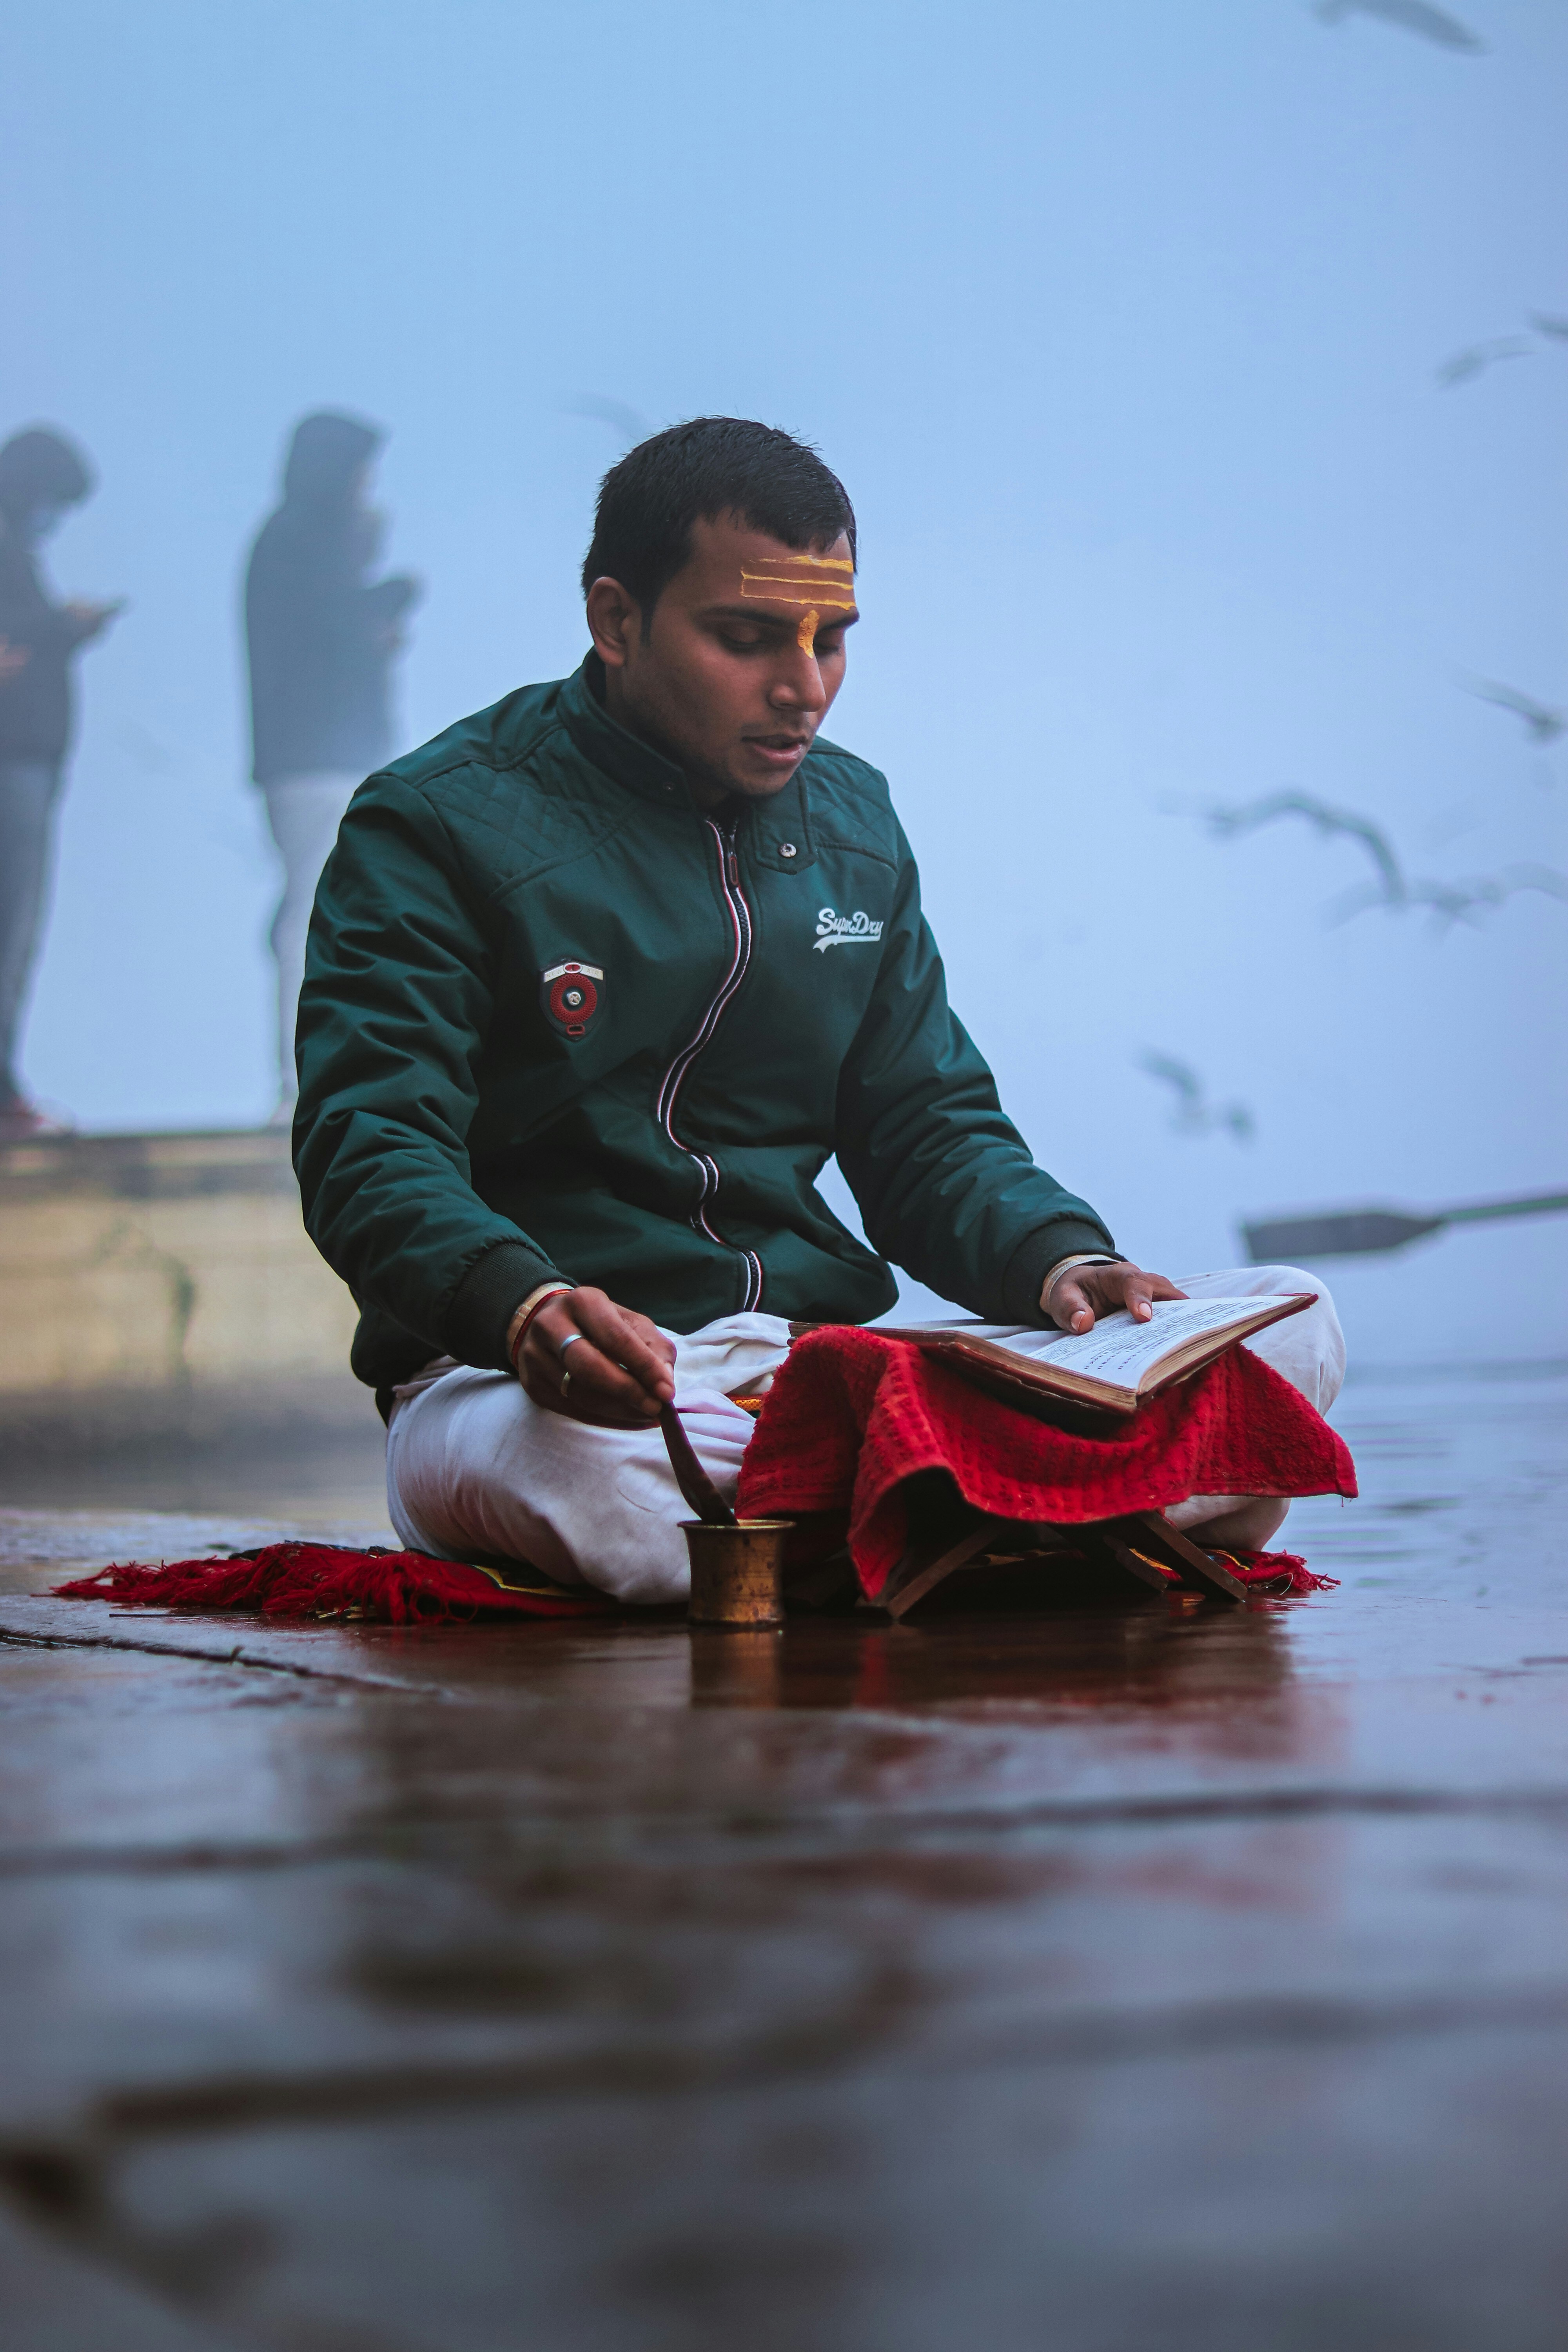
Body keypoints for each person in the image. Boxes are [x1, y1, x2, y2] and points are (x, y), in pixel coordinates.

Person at [293, 418, 1343, 1603]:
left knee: (1292, 1326)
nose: (804, 690)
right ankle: (1004, 1515)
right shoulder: (435, 824)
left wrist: (1062, 1257)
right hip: (543, 1394)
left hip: (810, 1378)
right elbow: (368, 1142)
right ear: (616, 620)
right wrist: (518, 1302)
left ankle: (882, 1516)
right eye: (746, 640)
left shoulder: (852, 823)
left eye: (832, 640)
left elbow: (925, 1126)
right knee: (605, 1480)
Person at [245, 411, 420, 1120]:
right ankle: (305, 1079)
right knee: (319, 913)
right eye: (359, 473)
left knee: (324, 908)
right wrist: (386, 591)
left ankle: (319, 1074)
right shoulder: (299, 541)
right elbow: (333, 630)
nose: (368, 489)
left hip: (316, 759)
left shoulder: (290, 543)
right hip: (316, 761)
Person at [0, 427, 122, 1141]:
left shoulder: (18, 547)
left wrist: (60, 632)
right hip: (13, 765)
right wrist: (56, 626)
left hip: (31, 767)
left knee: (16, 934)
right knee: (10, 930)